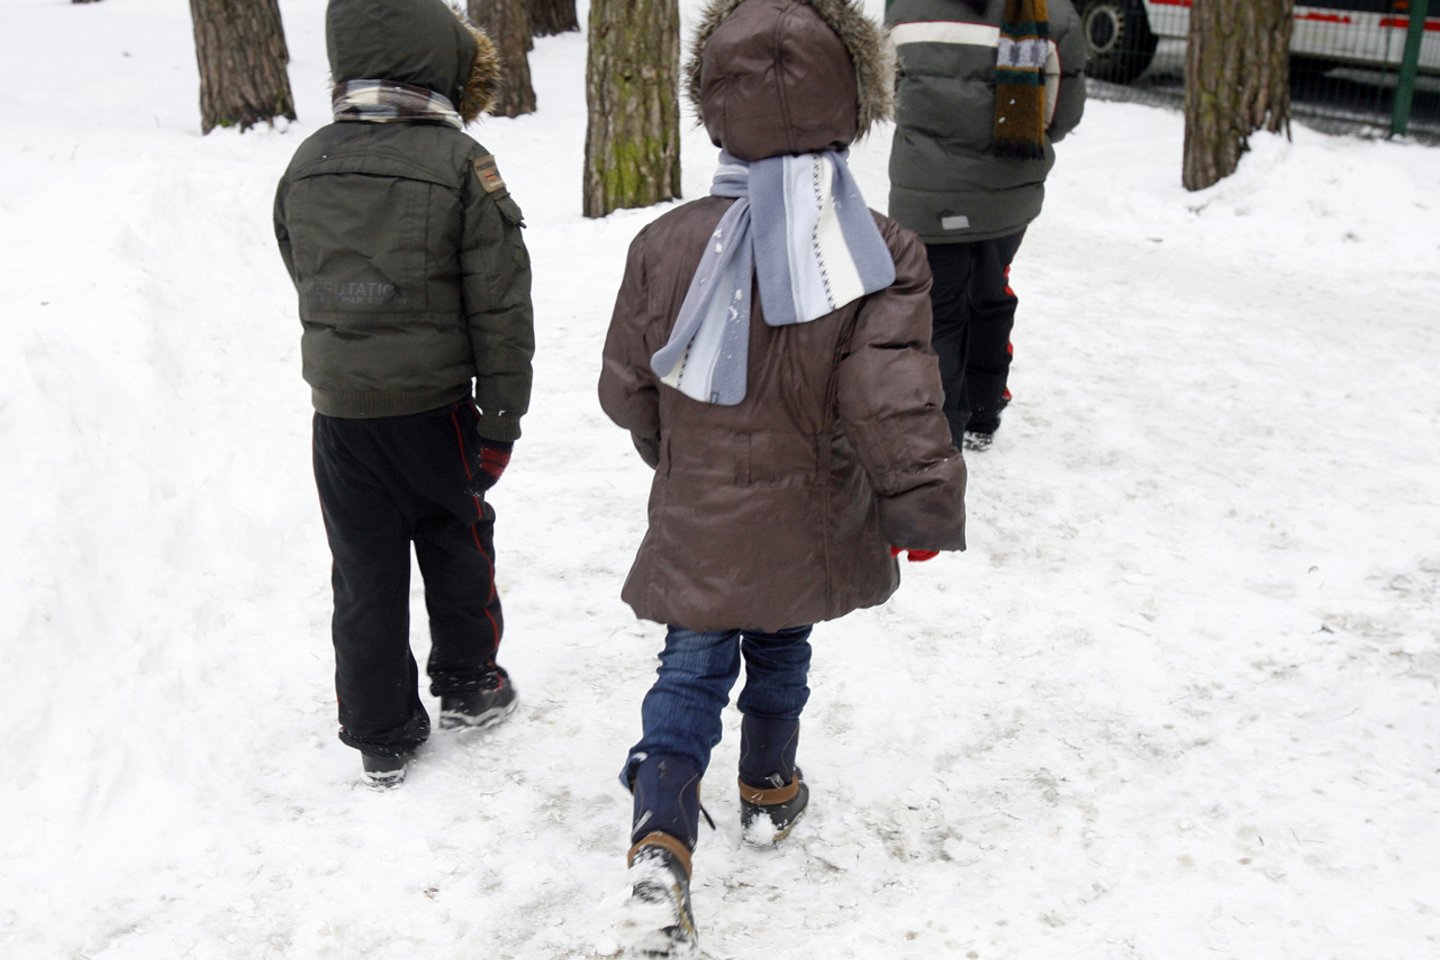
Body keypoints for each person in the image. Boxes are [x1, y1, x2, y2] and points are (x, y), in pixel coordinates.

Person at [597, 0, 968, 953]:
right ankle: (768, 788)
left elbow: (625, 387)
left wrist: (676, 456)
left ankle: (659, 843)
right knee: (781, 643)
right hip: (809, 506)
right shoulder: (875, 251)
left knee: (690, 665)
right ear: (854, 102)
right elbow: (890, 394)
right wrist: (915, 500)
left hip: (698, 502)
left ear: (714, 105)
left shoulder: (666, 242)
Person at [273, 0, 534, 788]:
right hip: (434, 407)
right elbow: (501, 302)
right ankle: (468, 683)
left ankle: (381, 730)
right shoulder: (460, 164)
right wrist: (502, 416)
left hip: (342, 413)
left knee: (363, 566)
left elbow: (295, 253)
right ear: (440, 60)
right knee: (456, 538)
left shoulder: (309, 159)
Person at [886, 0, 1086, 450]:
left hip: (927, 189)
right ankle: (983, 408)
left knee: (939, 310)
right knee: (991, 290)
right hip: (1009, 189)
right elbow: (1059, 117)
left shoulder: (905, 8)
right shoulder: (1055, 17)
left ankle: (941, 435)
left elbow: (890, 92)